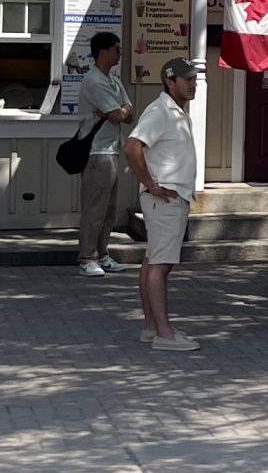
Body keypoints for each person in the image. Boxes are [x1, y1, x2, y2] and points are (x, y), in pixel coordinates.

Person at [124, 57, 202, 350]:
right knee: (160, 266)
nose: (193, 84)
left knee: (152, 261)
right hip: (165, 199)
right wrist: (151, 184)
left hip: (169, 198)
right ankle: (164, 335)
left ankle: (151, 327)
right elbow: (132, 148)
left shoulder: (176, 111)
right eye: (187, 80)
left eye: (194, 79)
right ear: (170, 82)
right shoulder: (160, 111)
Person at [74, 32, 136, 275]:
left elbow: (128, 114)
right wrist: (119, 112)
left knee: (108, 208)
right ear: (103, 52)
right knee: (95, 207)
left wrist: (120, 111)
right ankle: (86, 258)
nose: (120, 53)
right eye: (116, 49)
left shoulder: (114, 81)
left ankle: (103, 255)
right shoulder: (94, 81)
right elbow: (117, 114)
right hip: (97, 152)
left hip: (112, 149)